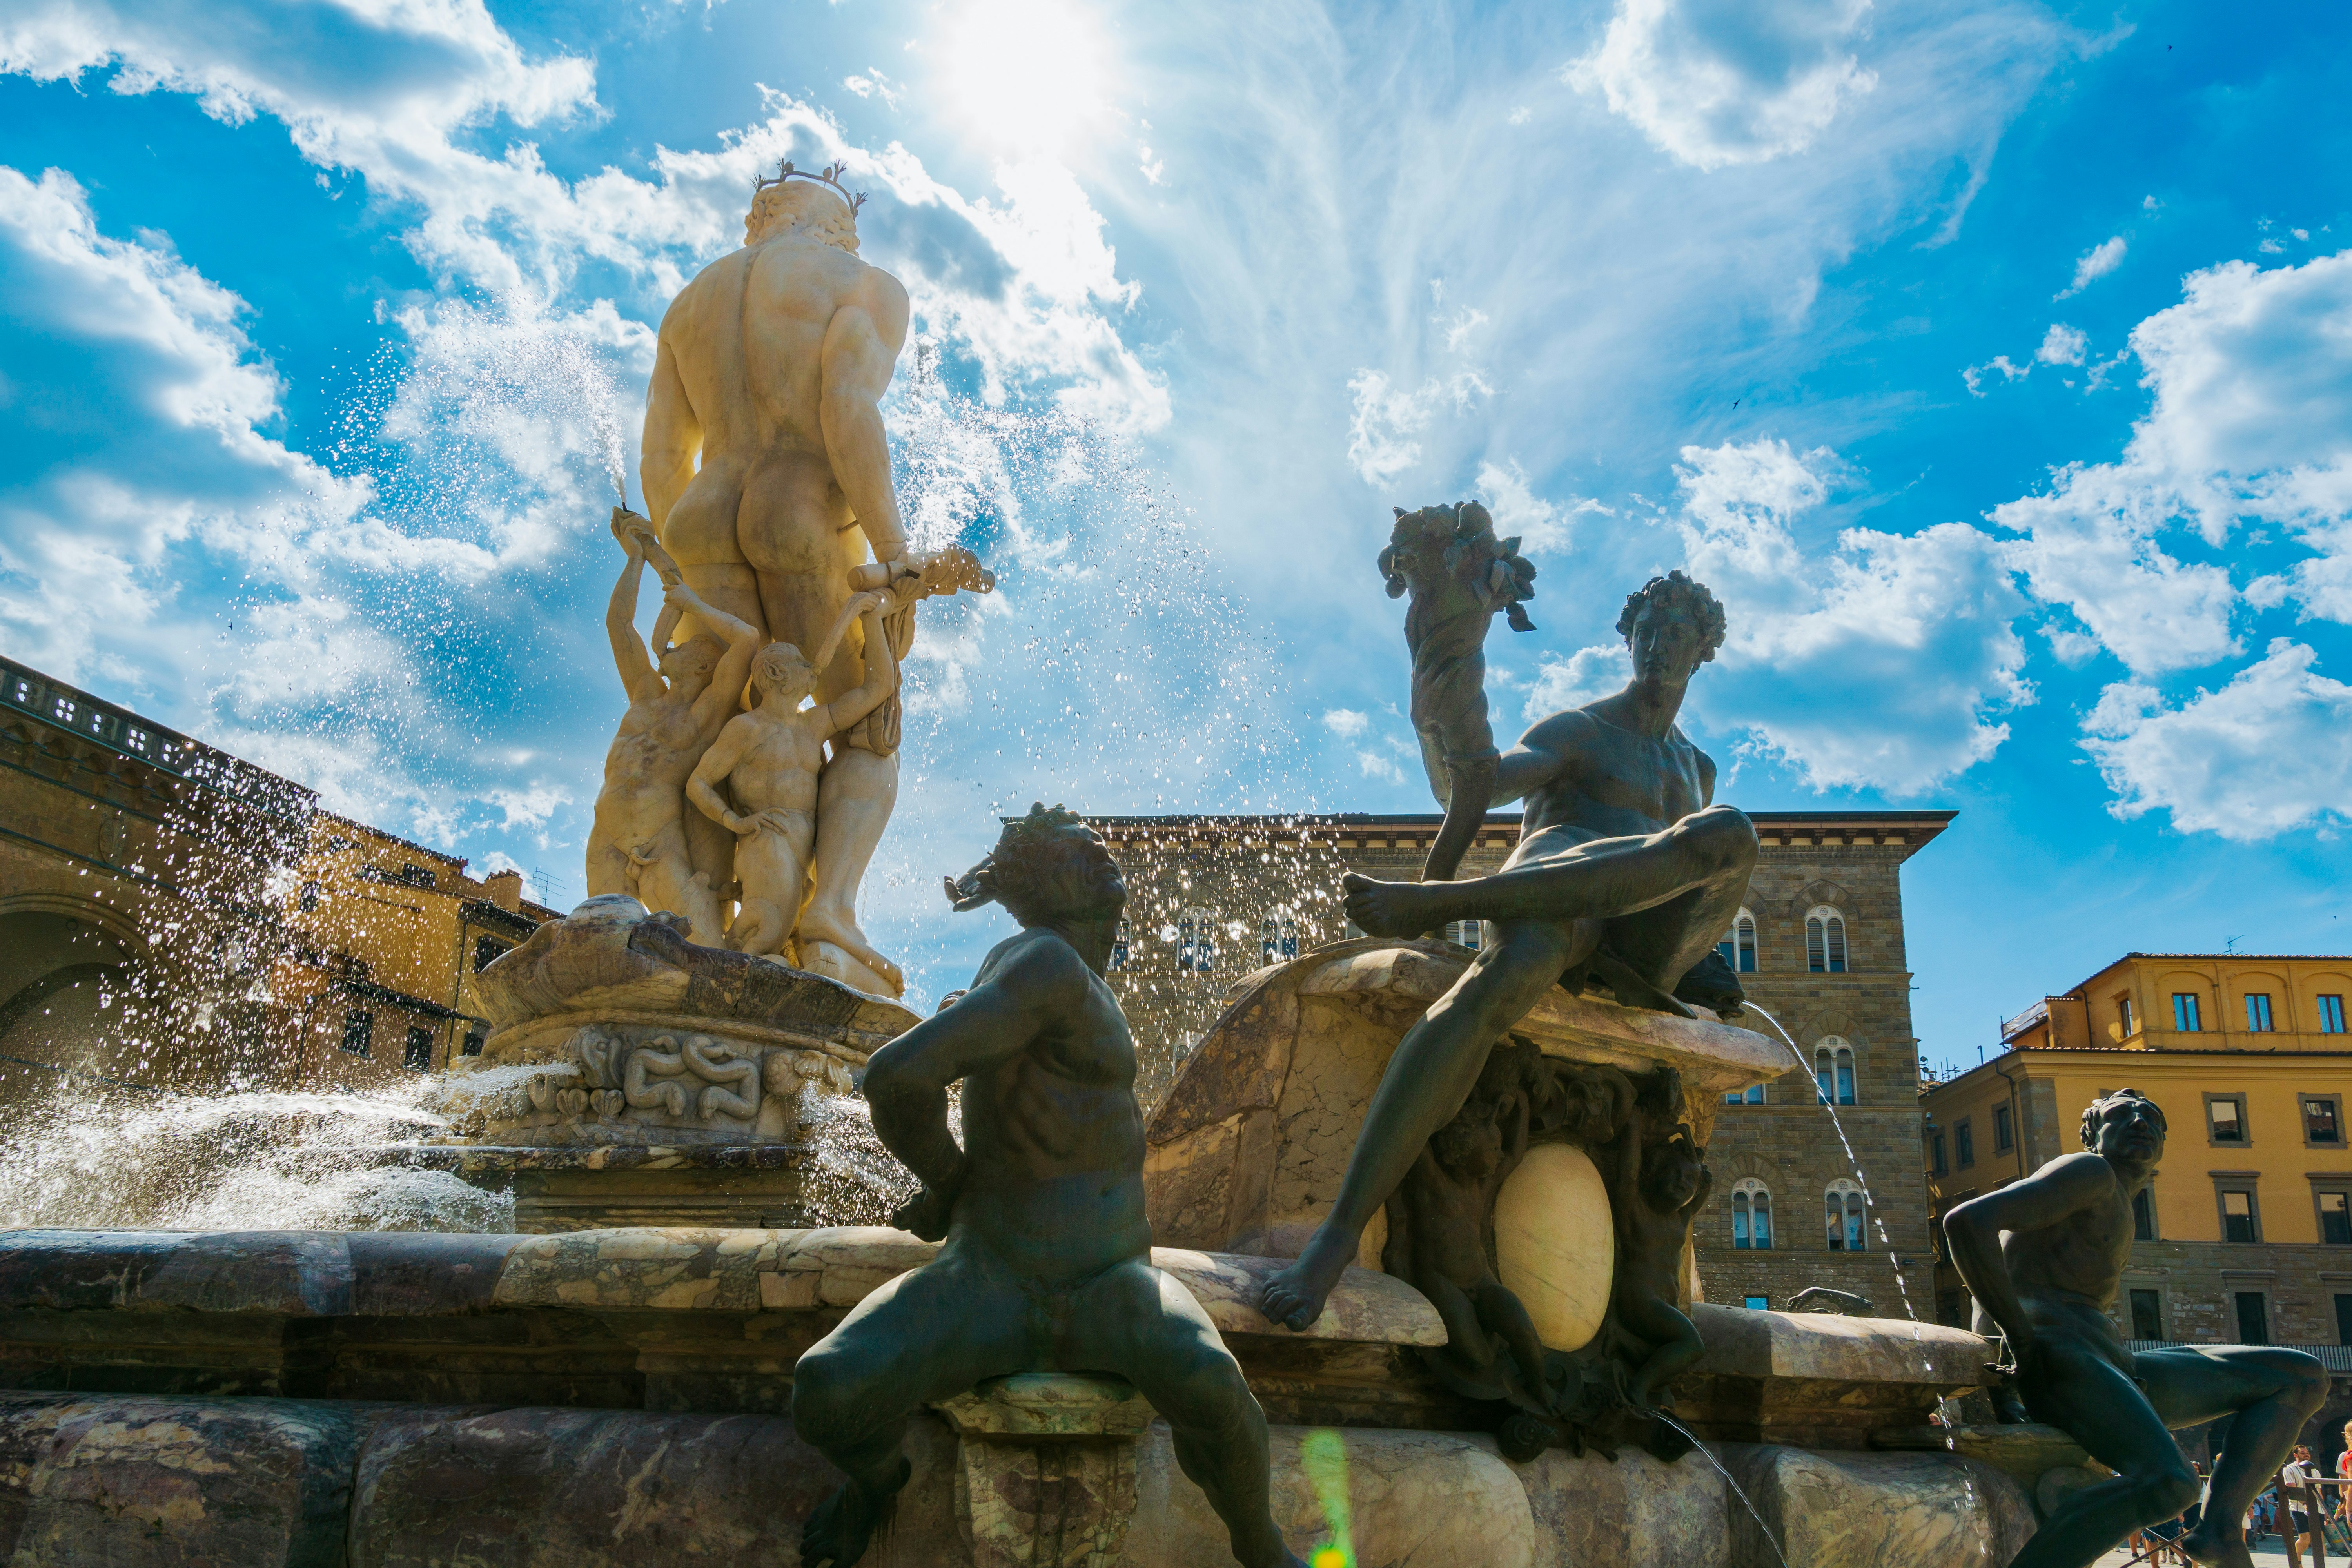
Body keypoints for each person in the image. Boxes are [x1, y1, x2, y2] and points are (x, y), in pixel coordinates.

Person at [789, 806, 1305, 1568]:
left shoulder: (1045, 971)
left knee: (828, 1392)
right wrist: (954, 1182)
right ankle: (1261, 1547)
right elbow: (896, 1076)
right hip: (1034, 1277)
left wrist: (953, 1188)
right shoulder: (1048, 965)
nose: (1101, 858)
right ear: (1036, 886)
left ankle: (1262, 1546)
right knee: (1215, 1391)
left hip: (1075, 1280)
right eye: (1077, 855)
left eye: (1099, 847)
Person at [1261, 571, 1755, 1332]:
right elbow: (1476, 784)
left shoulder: (1699, 770)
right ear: (1628, 639)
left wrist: (1700, 960)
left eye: (1675, 635)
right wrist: (1448, 660)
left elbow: (1686, 876)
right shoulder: (1581, 731)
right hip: (1548, 906)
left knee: (1729, 833)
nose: (1657, 648)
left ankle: (1448, 902)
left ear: (1704, 648)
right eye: (1646, 632)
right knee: (1499, 981)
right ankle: (1333, 1238)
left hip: (1633, 938)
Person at [640, 158, 918, 989]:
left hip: (701, 524)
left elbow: (662, 455)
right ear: (839, 224)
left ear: (760, 219)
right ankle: (826, 913)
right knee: (868, 720)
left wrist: (673, 564)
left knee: (720, 722)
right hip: (797, 512)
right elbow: (847, 410)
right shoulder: (860, 281)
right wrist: (894, 550)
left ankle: (710, 922)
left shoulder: (693, 301)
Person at [1944, 1087, 2328, 1568]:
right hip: (2057, 1356)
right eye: (2123, 1115)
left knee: (2302, 1376)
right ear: (2093, 1135)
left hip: (2110, 1359)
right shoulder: (2087, 1172)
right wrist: (2016, 1340)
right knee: (2171, 1482)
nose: (2141, 1121)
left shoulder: (2119, 1198)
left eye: (2152, 1117)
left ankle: (2220, 1529)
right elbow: (1967, 1222)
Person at [683, 592, 897, 981]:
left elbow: (879, 688)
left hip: (803, 852)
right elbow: (698, 783)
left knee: (772, 942)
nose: (811, 670)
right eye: (802, 665)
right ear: (779, 674)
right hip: (766, 842)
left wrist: (873, 620)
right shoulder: (745, 730)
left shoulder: (813, 724)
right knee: (763, 939)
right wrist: (736, 822)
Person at [584, 514, 763, 941]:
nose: (673, 647)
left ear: (703, 664)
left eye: (684, 646)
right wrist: (636, 558)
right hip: (606, 832)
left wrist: (692, 605)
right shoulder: (646, 692)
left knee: (706, 947)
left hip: (658, 840)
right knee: (600, 947)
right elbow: (619, 625)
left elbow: (748, 641)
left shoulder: (706, 714)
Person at [2283, 1445, 2321, 1561]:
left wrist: (2324, 1510)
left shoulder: (2315, 1471)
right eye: (2303, 1453)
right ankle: (2297, 1561)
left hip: (2317, 1508)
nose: (2306, 1454)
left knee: (2320, 1540)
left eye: (2307, 1452)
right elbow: (2292, 1488)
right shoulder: (2289, 1469)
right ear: (2296, 1455)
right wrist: (2305, 1504)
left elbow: (2319, 1491)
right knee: (2305, 1540)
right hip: (2299, 1508)